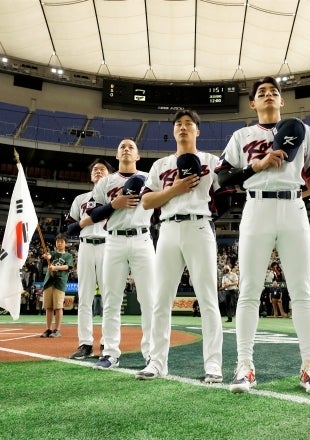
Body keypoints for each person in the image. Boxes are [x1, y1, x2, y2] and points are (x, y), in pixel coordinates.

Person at [215, 76, 310, 395]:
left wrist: (295, 197)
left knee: (301, 291)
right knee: (250, 289)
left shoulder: (301, 131)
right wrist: (259, 165)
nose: (268, 95)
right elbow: (223, 178)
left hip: (293, 207)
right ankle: (245, 366)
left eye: (274, 92)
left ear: (282, 102)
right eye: (261, 93)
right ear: (252, 103)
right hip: (256, 207)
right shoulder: (242, 135)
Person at [135, 109, 225, 384]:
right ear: (173, 132)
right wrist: (175, 189)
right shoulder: (161, 165)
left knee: (208, 299)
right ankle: (156, 362)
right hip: (168, 228)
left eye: (189, 124)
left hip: (200, 226)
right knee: (161, 299)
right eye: (179, 124)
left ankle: (213, 366)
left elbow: (226, 195)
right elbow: (147, 202)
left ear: (198, 131)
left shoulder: (212, 161)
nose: (183, 128)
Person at [88, 138, 156, 370]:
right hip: (114, 240)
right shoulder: (106, 182)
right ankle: (110, 353)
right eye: (122, 147)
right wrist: (115, 204)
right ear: (117, 156)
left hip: (143, 237)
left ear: (138, 155)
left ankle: (151, 353)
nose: (126, 149)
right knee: (111, 300)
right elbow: (93, 214)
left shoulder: (150, 176)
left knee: (148, 299)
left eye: (131, 147)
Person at [66, 158, 114, 359]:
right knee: (84, 297)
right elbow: (69, 228)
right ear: (90, 175)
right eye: (95, 169)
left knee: (109, 298)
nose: (98, 171)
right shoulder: (80, 199)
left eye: (102, 169)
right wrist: (85, 222)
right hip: (85, 246)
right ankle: (85, 343)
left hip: (108, 245)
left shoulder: (115, 197)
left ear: (109, 175)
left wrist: (85, 222)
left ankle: (107, 343)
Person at [40, 233, 74, 338]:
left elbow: (67, 266)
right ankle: (49, 329)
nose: (59, 243)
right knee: (48, 307)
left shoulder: (68, 255)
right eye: (57, 241)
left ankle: (57, 329)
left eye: (61, 242)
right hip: (48, 282)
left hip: (60, 282)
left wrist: (55, 268)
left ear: (66, 244)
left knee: (58, 307)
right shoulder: (53, 253)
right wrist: (46, 256)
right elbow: (49, 255)